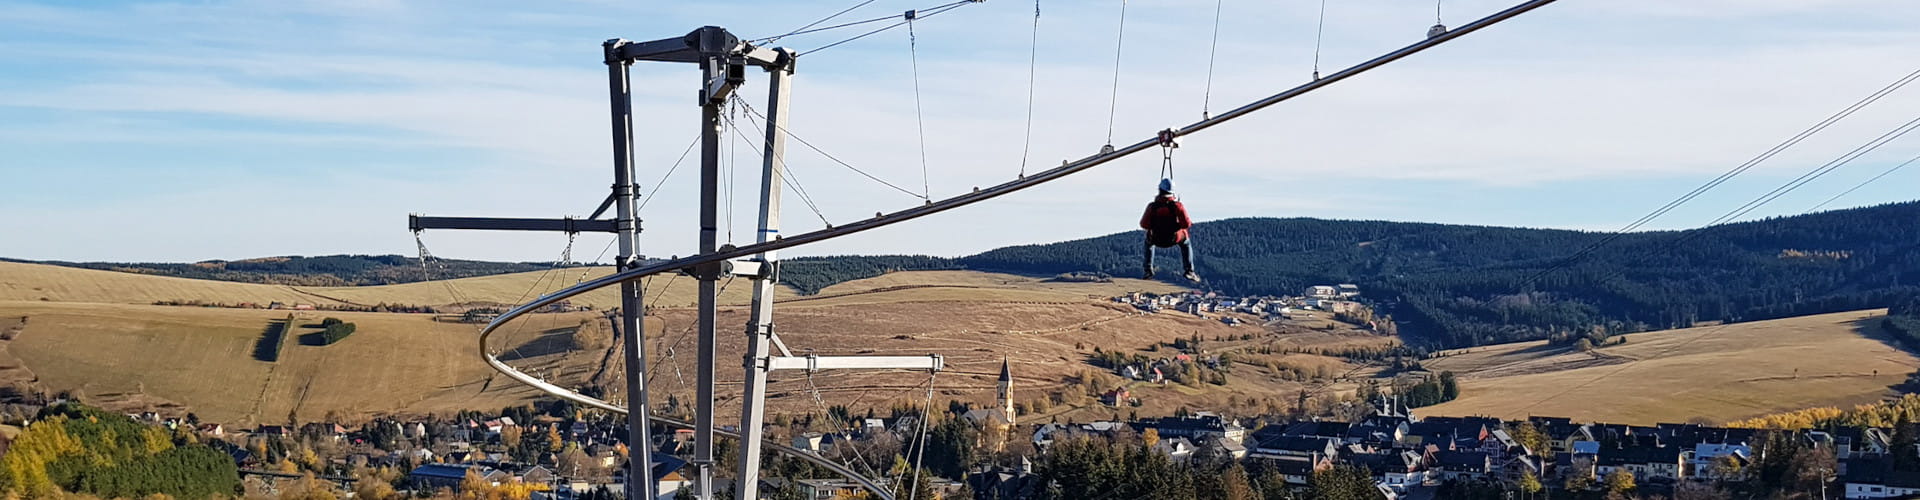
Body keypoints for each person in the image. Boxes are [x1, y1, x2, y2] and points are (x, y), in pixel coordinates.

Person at [1140, 178, 1198, 281]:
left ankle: (1148, 270)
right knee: (1186, 242)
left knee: (1148, 242)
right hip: (1174, 238)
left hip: (1156, 238)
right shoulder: (1177, 206)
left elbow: (1144, 225)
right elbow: (1186, 224)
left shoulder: (1152, 207)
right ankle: (1189, 270)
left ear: (1159, 190)